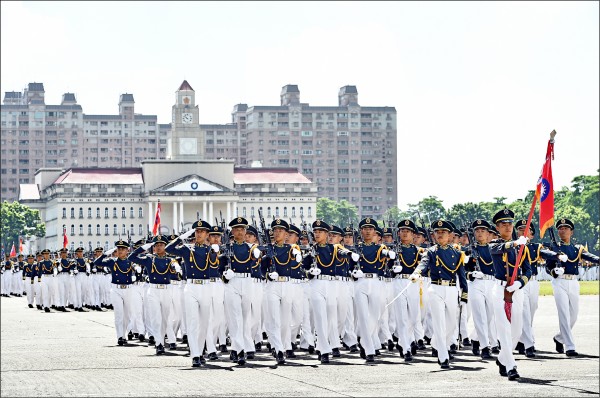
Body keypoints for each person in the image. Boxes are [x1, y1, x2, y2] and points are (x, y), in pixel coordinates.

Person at [410, 220, 468, 369]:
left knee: (452, 324)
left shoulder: (457, 253)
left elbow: (462, 275)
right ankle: (443, 356)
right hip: (435, 288)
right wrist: (417, 273)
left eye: (443, 232)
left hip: (452, 289)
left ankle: (437, 342)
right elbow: (423, 263)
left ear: (450, 235)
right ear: (434, 235)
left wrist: (464, 294)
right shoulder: (430, 251)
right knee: (439, 323)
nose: (440, 235)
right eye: (437, 232)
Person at [165, 220, 218, 367]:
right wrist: (182, 237)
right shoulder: (187, 249)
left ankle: (200, 351)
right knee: (193, 323)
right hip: (191, 287)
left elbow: (215, 265)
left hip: (206, 287)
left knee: (204, 323)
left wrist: (215, 252)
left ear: (207, 234)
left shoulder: (210, 250)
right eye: (196, 231)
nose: (199, 233)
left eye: (202, 231)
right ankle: (195, 354)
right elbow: (169, 248)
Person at [488, 208, 532, 380]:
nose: (507, 227)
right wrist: (515, 244)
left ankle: (502, 358)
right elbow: (499, 248)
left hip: (516, 290)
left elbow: (528, 270)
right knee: (503, 328)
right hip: (500, 289)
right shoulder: (494, 244)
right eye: (503, 224)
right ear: (497, 228)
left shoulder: (523, 248)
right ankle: (511, 366)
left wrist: (521, 282)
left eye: (510, 224)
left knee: (517, 330)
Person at [545, 218, 599, 357]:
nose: (562, 230)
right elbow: (548, 266)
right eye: (560, 228)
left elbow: (590, 257)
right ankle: (570, 346)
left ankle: (559, 337)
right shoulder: (554, 248)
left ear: (571, 232)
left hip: (573, 282)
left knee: (573, 315)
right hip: (560, 282)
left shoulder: (577, 249)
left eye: (566, 228)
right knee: (563, 314)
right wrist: (554, 272)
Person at [353, 217, 396, 363]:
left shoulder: (380, 248)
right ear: (361, 231)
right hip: (361, 282)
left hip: (376, 282)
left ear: (374, 231)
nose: (367, 231)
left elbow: (387, 255)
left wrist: (389, 255)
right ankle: (369, 349)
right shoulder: (356, 248)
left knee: (375, 315)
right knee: (364, 316)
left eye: (370, 229)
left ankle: (364, 341)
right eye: (365, 229)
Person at [129, 235, 181, 355]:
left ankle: (170, 339)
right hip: (153, 290)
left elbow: (176, 271)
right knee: (156, 318)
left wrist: (176, 268)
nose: (158, 247)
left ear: (165, 246)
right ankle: (159, 344)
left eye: (161, 245)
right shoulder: (149, 259)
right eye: (156, 245)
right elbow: (132, 257)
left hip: (166, 290)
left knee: (166, 317)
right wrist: (143, 247)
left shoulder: (170, 260)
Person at [261, 218, 303, 364]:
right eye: (275, 230)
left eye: (281, 231)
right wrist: (267, 274)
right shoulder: (267, 250)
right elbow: (260, 270)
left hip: (288, 284)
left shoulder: (292, 249)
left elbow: (297, 261)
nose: (278, 233)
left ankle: (283, 345)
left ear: (286, 234)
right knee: (274, 319)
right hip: (272, 286)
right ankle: (278, 349)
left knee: (286, 321)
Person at [221, 217, 262, 365]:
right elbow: (219, 265)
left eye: (242, 229)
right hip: (233, 282)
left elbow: (256, 254)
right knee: (235, 317)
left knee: (246, 317)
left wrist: (257, 253)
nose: (239, 232)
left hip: (247, 281)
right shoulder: (227, 248)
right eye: (236, 229)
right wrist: (224, 275)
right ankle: (239, 350)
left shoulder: (250, 247)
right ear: (232, 231)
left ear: (245, 232)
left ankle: (241, 346)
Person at [464, 219, 496, 359]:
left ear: (489, 233)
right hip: (476, 284)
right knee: (480, 316)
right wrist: (471, 274)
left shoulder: (494, 248)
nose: (480, 233)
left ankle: (475, 339)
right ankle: (484, 346)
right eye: (477, 231)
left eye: (483, 231)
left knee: (489, 316)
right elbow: (462, 270)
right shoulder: (469, 250)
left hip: (492, 283)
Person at [391, 219, 423, 361]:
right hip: (398, 281)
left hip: (413, 283)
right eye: (402, 231)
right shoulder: (392, 250)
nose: (405, 233)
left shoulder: (418, 251)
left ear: (413, 234)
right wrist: (393, 269)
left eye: (408, 231)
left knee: (414, 316)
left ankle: (406, 339)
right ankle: (406, 348)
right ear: (398, 233)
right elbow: (385, 270)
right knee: (402, 317)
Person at [94, 240, 135, 346]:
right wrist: (106, 254)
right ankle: (120, 336)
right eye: (119, 249)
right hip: (116, 289)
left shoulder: (130, 261)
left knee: (127, 315)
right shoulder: (112, 261)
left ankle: (124, 334)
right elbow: (97, 263)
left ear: (127, 250)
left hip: (128, 289)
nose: (120, 251)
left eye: (123, 249)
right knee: (119, 314)